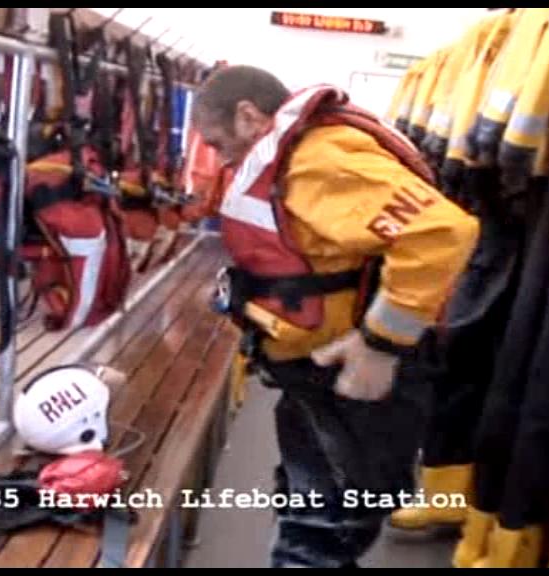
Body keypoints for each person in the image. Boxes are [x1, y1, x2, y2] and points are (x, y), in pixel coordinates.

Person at [191, 65, 480, 568]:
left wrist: (381, 344)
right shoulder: (296, 158)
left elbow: (439, 233)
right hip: (317, 382)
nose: (220, 159)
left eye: (217, 143)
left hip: (351, 385)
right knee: (309, 515)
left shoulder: (318, 162)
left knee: (323, 533)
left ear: (248, 116)